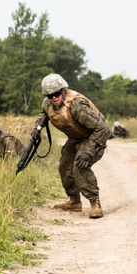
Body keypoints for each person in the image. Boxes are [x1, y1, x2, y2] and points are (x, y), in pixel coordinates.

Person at [36, 73, 111, 219]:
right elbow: (42, 115)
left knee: (80, 165)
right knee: (64, 166)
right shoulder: (47, 103)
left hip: (93, 137)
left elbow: (103, 129)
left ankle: (95, 203)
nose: (53, 98)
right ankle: (74, 201)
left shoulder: (76, 105)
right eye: (49, 95)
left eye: (56, 94)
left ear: (63, 90)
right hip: (75, 138)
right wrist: (36, 129)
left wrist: (88, 150)